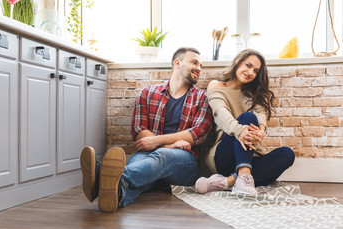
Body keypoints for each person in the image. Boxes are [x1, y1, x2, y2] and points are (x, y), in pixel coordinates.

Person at [80, 47, 213, 212]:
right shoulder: (148, 93)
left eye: (201, 65)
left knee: (160, 158)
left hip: (184, 163)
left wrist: (157, 141)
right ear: (177, 63)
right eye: (194, 62)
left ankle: (100, 177)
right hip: (151, 156)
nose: (199, 68)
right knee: (141, 171)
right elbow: (139, 128)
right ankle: (117, 195)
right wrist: (169, 145)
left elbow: (198, 133)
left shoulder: (202, 98)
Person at [195, 49, 295, 195]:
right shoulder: (216, 86)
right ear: (238, 62)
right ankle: (242, 177)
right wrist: (239, 130)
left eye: (255, 71)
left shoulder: (254, 93)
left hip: (251, 156)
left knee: (287, 154)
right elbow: (220, 113)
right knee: (247, 118)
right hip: (224, 155)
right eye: (248, 65)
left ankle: (228, 181)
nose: (250, 72)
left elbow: (260, 114)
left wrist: (261, 131)